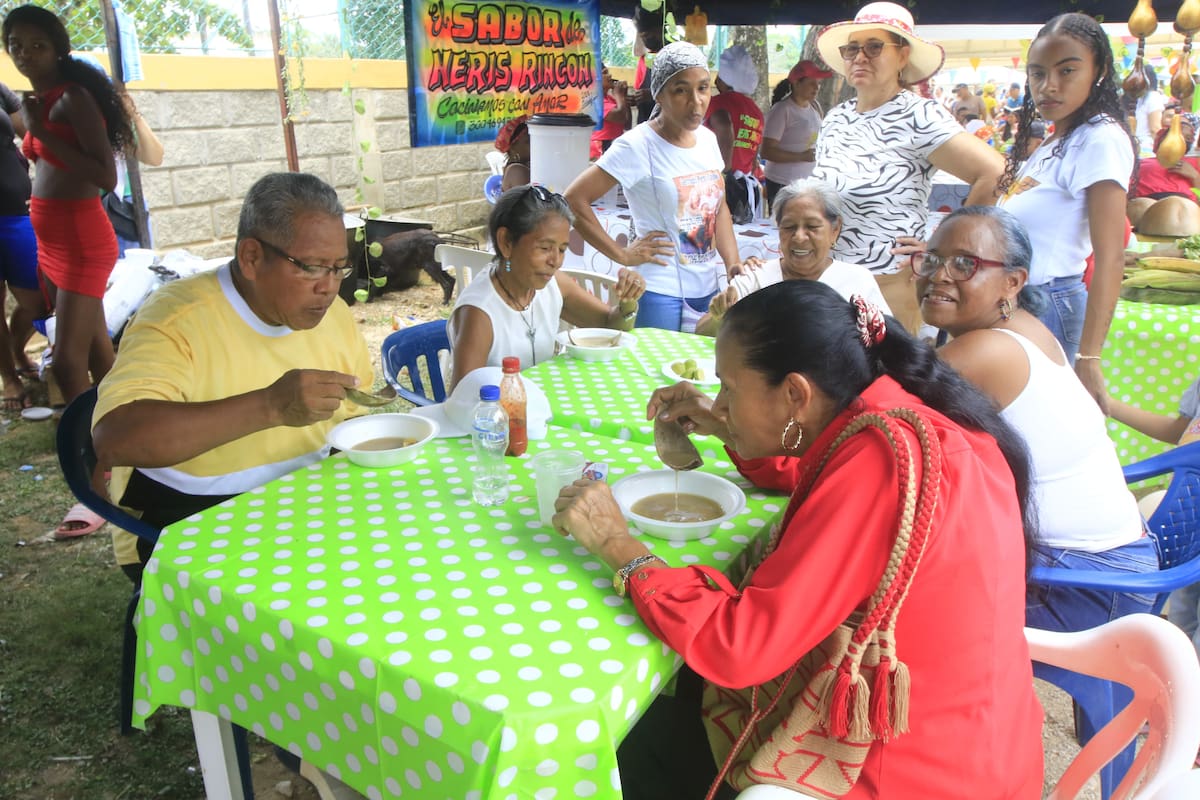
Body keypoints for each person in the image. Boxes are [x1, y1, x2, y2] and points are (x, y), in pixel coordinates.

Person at [552, 279, 1043, 798]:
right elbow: (814, 469)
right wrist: (730, 424)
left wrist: (617, 545)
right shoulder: (905, 417)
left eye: (730, 389)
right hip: (991, 748)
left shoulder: (881, 464)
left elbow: (741, 648)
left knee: (627, 745)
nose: (721, 402)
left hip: (901, 772)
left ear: (795, 395)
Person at [92, 172, 374, 584]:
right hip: (190, 514)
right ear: (252, 257)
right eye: (312, 268)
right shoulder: (175, 319)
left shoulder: (335, 317)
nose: (328, 288)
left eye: (338, 269)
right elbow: (115, 439)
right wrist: (271, 406)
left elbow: (353, 424)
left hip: (304, 499)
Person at [915, 205, 1157, 633]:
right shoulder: (1028, 328)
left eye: (965, 264)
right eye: (931, 259)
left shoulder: (988, 350)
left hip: (1081, 582)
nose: (939, 275)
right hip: (1117, 562)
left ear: (1013, 282)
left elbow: (869, 409)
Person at [812, 2, 1005, 334]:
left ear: (902, 56)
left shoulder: (919, 116)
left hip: (888, 285)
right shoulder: (836, 118)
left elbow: (995, 172)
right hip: (830, 280)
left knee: (884, 367)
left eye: (874, 47)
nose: (860, 57)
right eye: (852, 49)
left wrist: (943, 248)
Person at [998, 12, 1137, 411]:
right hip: (1022, 304)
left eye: (1067, 71)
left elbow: (1111, 257)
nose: (1049, 86)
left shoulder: (1100, 138)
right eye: (1038, 73)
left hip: (1050, 307)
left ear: (1099, 70)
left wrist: (1089, 356)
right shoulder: (1057, 138)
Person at [565, 41, 745, 333]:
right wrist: (622, 255)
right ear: (659, 94)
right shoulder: (637, 145)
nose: (696, 101)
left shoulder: (708, 140)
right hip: (659, 291)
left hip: (707, 289)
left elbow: (719, 207)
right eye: (681, 90)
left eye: (702, 88)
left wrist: (732, 263)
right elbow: (574, 199)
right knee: (656, 364)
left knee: (703, 362)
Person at [5, 6, 132, 405]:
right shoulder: (41, 99)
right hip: (54, 242)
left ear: (58, 49)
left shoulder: (73, 98)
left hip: (81, 242)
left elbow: (105, 176)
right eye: (15, 45)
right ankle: (122, 422)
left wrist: (40, 132)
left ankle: (84, 438)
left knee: (66, 363)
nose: (24, 54)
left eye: (37, 45)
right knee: (98, 353)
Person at [447, 184, 645, 383]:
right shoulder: (480, 312)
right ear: (506, 242)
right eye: (544, 248)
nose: (555, 261)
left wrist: (628, 302)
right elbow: (463, 395)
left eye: (562, 250)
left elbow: (609, 326)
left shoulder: (553, 285)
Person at [695, 178, 889, 335]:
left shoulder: (857, 280)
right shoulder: (756, 276)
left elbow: (887, 341)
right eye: (789, 227)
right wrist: (720, 317)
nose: (799, 237)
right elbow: (702, 332)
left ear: (835, 229)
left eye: (812, 226)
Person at [1109, 375, 1200, 659]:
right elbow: (1181, 432)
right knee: (1182, 619)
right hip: (1191, 517)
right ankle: (1180, 678)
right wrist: (1108, 404)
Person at [0, 79, 46, 412]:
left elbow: (31, 136)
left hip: (17, 213)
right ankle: (10, 380)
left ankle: (18, 353)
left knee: (40, 298)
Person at [703, 45, 764, 224]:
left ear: (727, 78)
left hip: (720, 186)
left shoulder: (716, 103)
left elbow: (724, 125)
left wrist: (726, 170)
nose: (715, 81)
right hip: (745, 188)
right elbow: (754, 158)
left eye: (719, 76)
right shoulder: (756, 111)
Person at [761, 60, 831, 210]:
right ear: (796, 83)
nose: (816, 87)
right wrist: (801, 156)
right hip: (783, 182)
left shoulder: (815, 107)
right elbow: (767, 151)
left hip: (808, 181)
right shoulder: (782, 110)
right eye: (811, 83)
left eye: (818, 83)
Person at [1133, 113, 1200, 201]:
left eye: (1188, 137)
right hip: (1145, 202)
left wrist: (1195, 176)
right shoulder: (1140, 163)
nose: (1180, 138)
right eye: (1176, 131)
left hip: (1184, 202)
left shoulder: (1196, 163)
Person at [590, 64, 630, 159]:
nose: (610, 76)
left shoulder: (611, 99)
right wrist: (619, 96)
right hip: (602, 146)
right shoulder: (594, 100)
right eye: (605, 73)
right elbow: (620, 116)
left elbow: (627, 124)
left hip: (613, 144)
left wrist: (624, 98)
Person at [1134, 66, 1165, 154]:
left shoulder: (1130, 97)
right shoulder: (1153, 96)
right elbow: (1155, 128)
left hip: (1132, 144)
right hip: (1146, 146)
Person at [495, 114, 530, 192]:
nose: (533, 144)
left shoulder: (522, 167)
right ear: (513, 148)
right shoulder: (517, 171)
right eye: (527, 141)